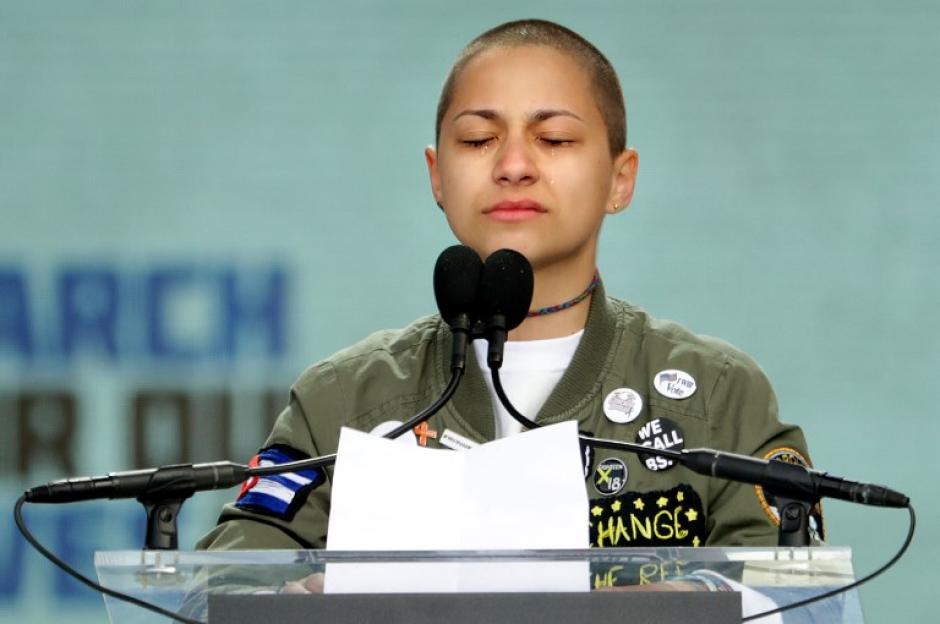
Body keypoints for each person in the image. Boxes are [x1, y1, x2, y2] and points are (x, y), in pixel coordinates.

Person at [197, 19, 821, 562]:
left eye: (554, 139)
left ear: (620, 179)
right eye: (478, 140)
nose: (514, 166)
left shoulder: (718, 396)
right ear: (437, 176)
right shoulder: (343, 401)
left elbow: (792, 593)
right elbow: (229, 578)